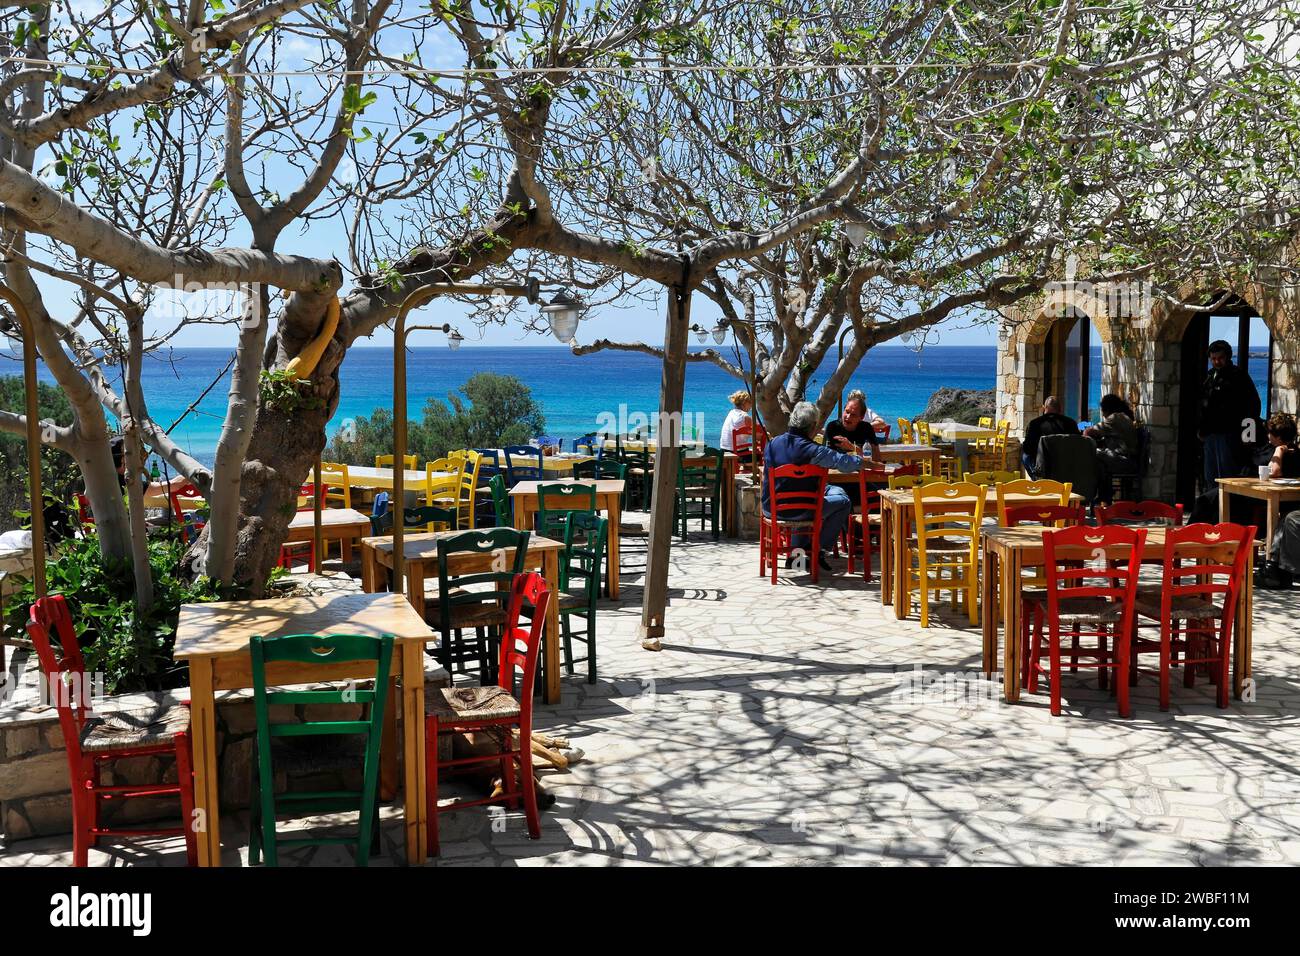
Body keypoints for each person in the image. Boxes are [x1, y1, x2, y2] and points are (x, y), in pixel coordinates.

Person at [762, 401, 865, 572]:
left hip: (771, 508)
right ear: (812, 426)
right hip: (803, 510)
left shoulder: (772, 444)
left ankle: (798, 558)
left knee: (827, 493)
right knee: (843, 502)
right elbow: (844, 463)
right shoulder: (814, 450)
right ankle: (817, 550)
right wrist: (862, 460)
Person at [1198, 340, 1261, 489]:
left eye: (1220, 358)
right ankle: (1212, 510)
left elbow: (1253, 406)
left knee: (1228, 477)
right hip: (1210, 435)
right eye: (1213, 359)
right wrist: (1201, 430)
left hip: (1230, 434)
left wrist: (1248, 435)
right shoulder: (1210, 376)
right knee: (1210, 477)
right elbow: (1204, 406)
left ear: (1228, 357)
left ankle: (1229, 511)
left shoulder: (1238, 377)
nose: (1217, 362)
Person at [1084, 394, 1139, 503]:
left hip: (1124, 462)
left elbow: (1088, 432)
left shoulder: (1115, 418)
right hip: (1129, 461)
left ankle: (1096, 494)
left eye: (1102, 411)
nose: (1103, 415)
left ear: (1106, 409)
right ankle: (1104, 495)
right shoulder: (1124, 417)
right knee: (1100, 464)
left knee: (1092, 454)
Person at [1022, 396, 1078, 477]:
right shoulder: (1071, 423)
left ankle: (1037, 479)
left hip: (1043, 469)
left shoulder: (1035, 424)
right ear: (1060, 409)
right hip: (1066, 468)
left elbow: (1027, 448)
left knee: (1025, 456)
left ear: (1044, 408)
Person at [824, 390, 883, 462]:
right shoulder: (833, 427)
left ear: (861, 417)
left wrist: (853, 447)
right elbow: (826, 457)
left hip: (861, 469)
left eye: (853, 415)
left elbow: (877, 458)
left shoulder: (866, 428)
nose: (848, 417)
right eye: (847, 412)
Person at [1264, 412, 1300, 479]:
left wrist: (1279, 450)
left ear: (1279, 438)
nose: (1267, 434)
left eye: (1269, 432)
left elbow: (1273, 472)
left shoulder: (1291, 452)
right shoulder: (1295, 449)